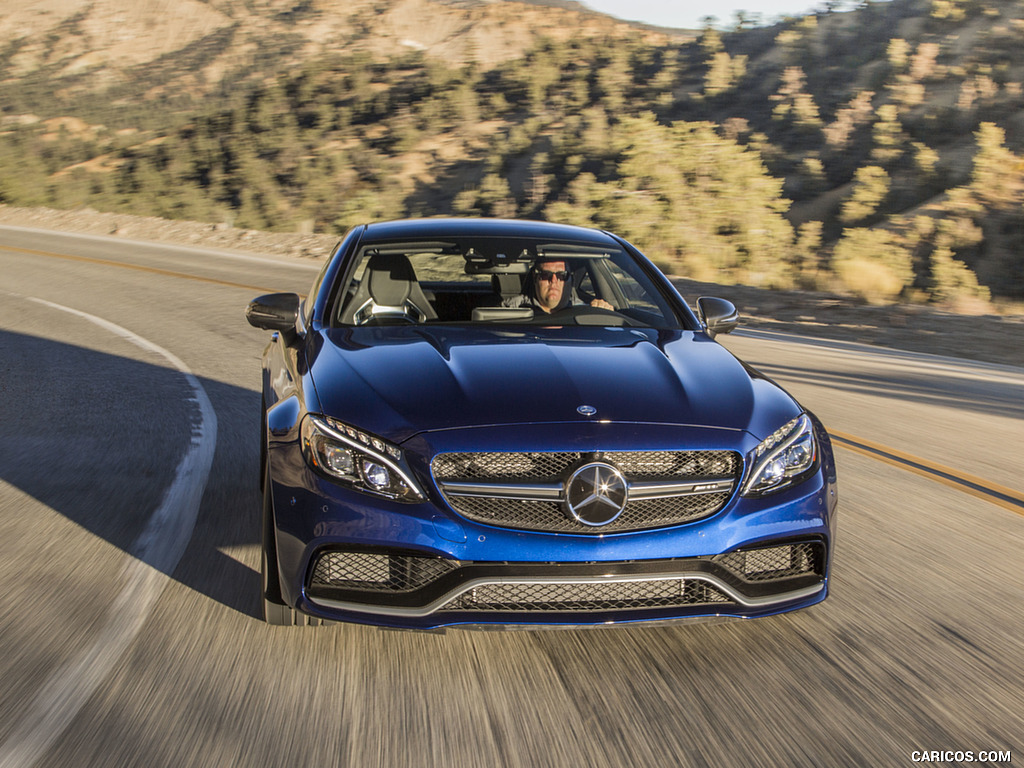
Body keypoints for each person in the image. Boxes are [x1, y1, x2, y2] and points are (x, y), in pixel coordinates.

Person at [502, 258, 613, 314]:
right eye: (546, 275)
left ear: (571, 280)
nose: (554, 280)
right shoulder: (510, 310)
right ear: (535, 278)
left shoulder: (586, 312)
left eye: (562, 275)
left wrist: (604, 313)